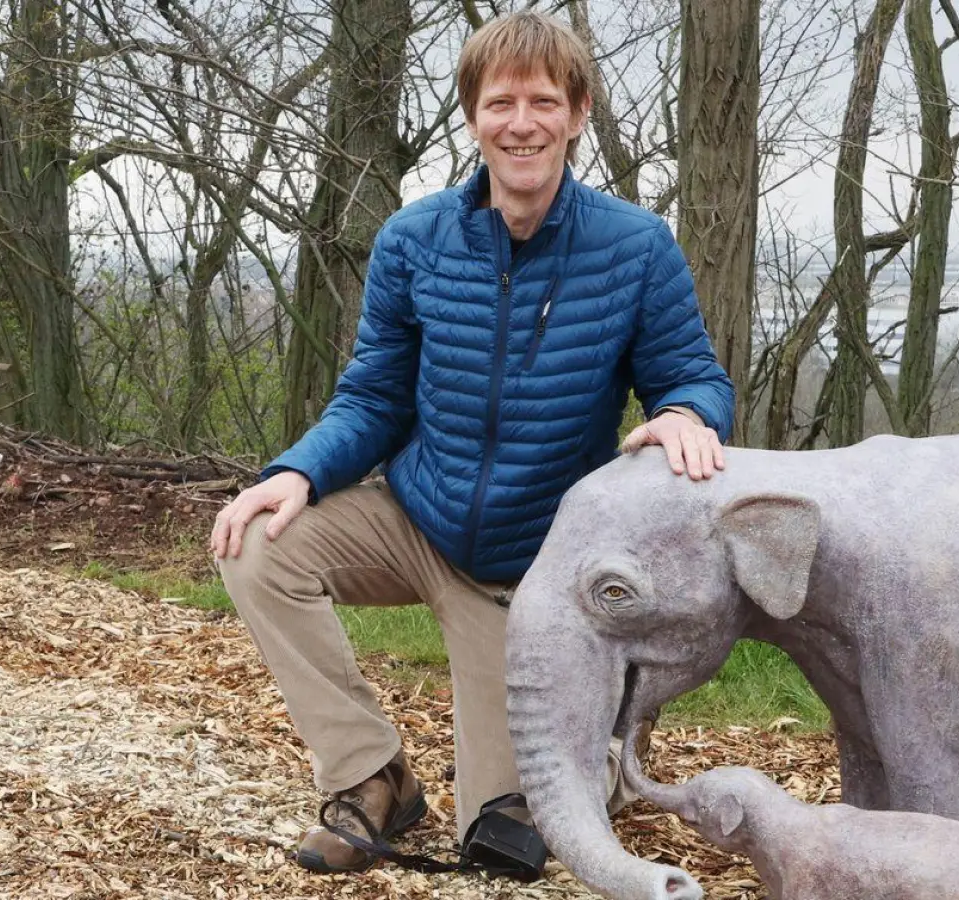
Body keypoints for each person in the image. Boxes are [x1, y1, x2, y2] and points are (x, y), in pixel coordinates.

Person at [210, 10, 734, 875]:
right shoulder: (413, 240)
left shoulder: (635, 247)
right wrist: (299, 471)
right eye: (500, 103)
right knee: (257, 544)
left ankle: (603, 747)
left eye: (542, 102)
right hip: (418, 517)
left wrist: (685, 413)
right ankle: (371, 776)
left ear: (578, 113)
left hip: (535, 565)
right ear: (472, 117)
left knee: (500, 834)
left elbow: (693, 377)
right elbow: (373, 396)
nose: (520, 124)